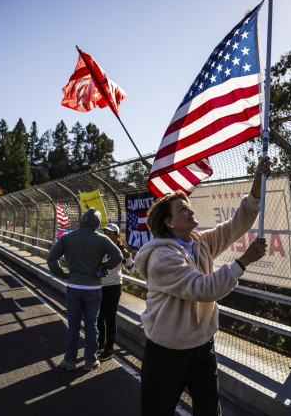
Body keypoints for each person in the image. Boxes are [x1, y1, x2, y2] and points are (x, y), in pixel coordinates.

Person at [135, 156, 272, 416]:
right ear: (168, 222)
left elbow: (235, 226)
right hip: (167, 352)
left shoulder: (200, 242)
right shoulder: (162, 258)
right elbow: (204, 289)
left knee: (209, 411)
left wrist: (256, 187)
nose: (191, 211)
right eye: (182, 209)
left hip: (202, 346)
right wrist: (243, 261)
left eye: (189, 206)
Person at [47, 207, 122, 371]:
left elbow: (51, 258)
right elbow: (118, 256)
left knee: (73, 324)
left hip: (73, 286)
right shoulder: (102, 239)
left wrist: (63, 274)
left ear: (82, 220)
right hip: (94, 288)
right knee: (91, 324)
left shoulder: (67, 237)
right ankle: (90, 360)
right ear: (97, 222)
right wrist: (104, 266)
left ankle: (70, 360)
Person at [98, 223, 136, 361]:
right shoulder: (100, 247)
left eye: (110, 233)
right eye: (105, 233)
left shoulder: (120, 251)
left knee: (110, 317)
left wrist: (128, 256)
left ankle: (109, 349)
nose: (107, 235)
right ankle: (100, 344)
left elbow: (131, 270)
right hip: (99, 285)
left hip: (113, 286)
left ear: (116, 236)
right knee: (99, 317)